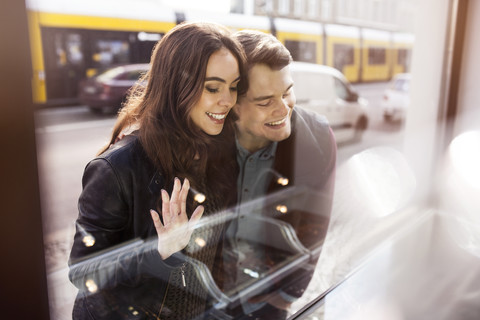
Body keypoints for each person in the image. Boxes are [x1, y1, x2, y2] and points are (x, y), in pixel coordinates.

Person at [68, 21, 247, 319]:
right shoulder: (118, 167)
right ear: (176, 84)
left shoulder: (221, 150)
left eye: (234, 87)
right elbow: (83, 271)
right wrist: (159, 251)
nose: (227, 100)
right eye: (213, 87)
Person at [223, 29, 337, 319]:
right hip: (208, 298)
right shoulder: (203, 139)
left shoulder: (318, 137)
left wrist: (286, 295)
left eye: (287, 92)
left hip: (270, 301)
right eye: (265, 101)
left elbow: (315, 228)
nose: (283, 108)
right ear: (231, 104)